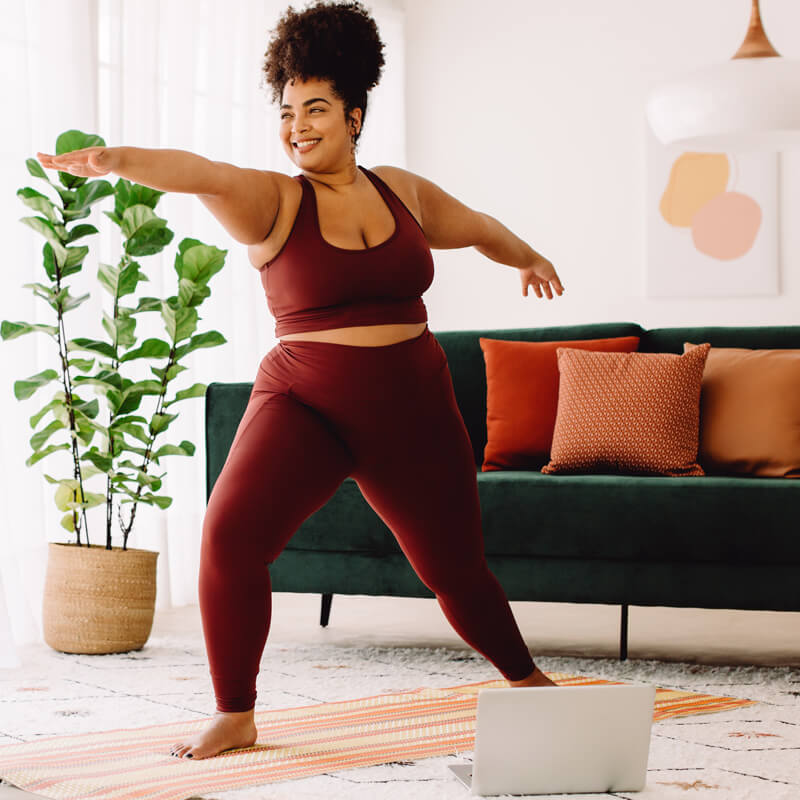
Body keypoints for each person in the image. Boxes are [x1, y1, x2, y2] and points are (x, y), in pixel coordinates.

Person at [37, 0, 565, 762]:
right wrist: (119, 161)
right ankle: (235, 712)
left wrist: (527, 256)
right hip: (306, 402)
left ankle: (524, 679)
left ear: (355, 114)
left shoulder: (401, 192)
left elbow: (476, 224)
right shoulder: (276, 200)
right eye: (287, 111)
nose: (298, 126)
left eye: (315, 108)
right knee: (228, 537)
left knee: (453, 568)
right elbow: (203, 174)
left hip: (412, 405)